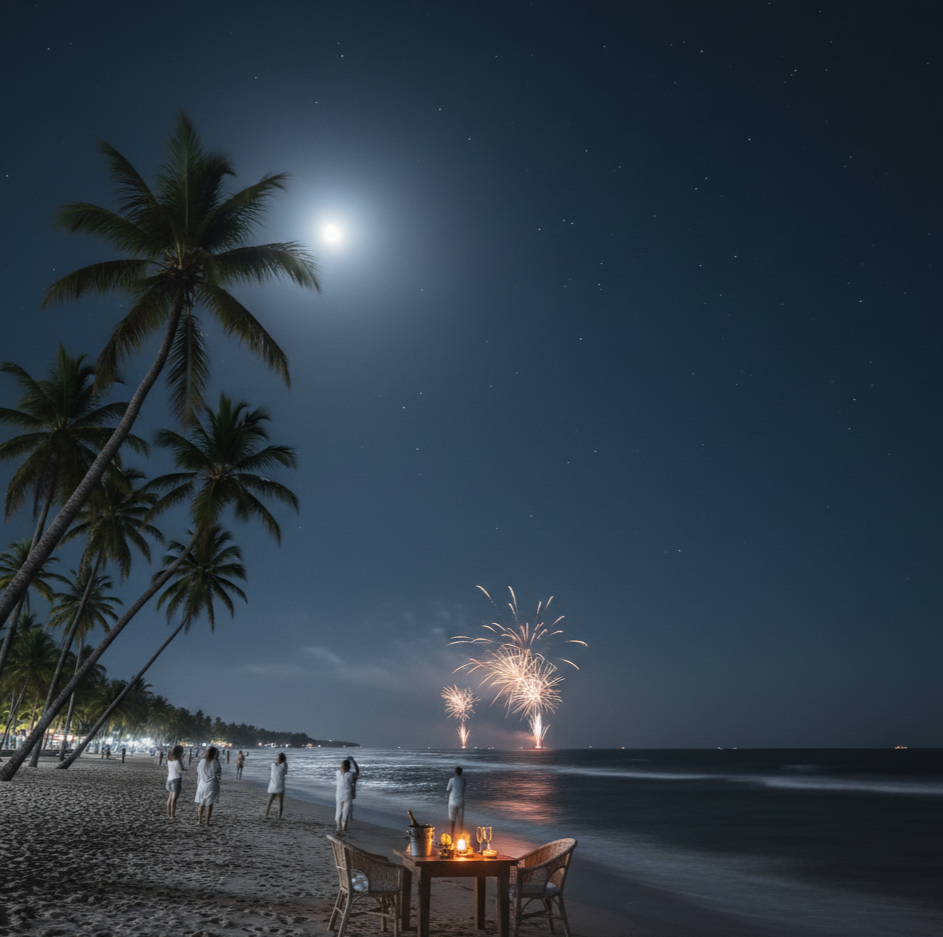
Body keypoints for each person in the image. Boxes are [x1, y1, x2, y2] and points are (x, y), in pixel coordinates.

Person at [194, 746, 222, 826]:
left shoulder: (202, 761)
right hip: (211, 784)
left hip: (202, 784)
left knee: (202, 803)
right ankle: (207, 822)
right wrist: (217, 760)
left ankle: (199, 820)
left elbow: (198, 771)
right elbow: (218, 773)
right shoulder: (214, 762)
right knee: (209, 804)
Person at [334, 756, 359, 833]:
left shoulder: (337, 773)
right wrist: (354, 762)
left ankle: (338, 826)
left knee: (338, 811)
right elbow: (357, 771)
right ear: (349, 766)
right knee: (345, 812)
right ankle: (343, 827)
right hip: (348, 795)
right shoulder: (351, 774)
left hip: (339, 795)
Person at [266, 752, 288, 819]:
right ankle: (279, 816)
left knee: (270, 801)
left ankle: (266, 814)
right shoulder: (284, 765)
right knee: (280, 802)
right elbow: (285, 773)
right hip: (280, 784)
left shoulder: (273, 765)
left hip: (273, 784)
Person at [165, 745, 185, 819]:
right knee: (174, 799)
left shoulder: (169, 760)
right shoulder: (177, 761)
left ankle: (169, 813)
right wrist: (181, 760)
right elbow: (179, 770)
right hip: (176, 779)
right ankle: (172, 815)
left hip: (169, 779)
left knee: (170, 798)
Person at [447, 766, 466, 839]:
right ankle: (461, 835)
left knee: (453, 819)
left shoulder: (452, 780)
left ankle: (452, 835)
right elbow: (463, 789)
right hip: (461, 801)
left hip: (452, 801)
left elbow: (448, 789)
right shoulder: (463, 780)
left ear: (455, 772)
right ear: (461, 772)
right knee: (461, 820)